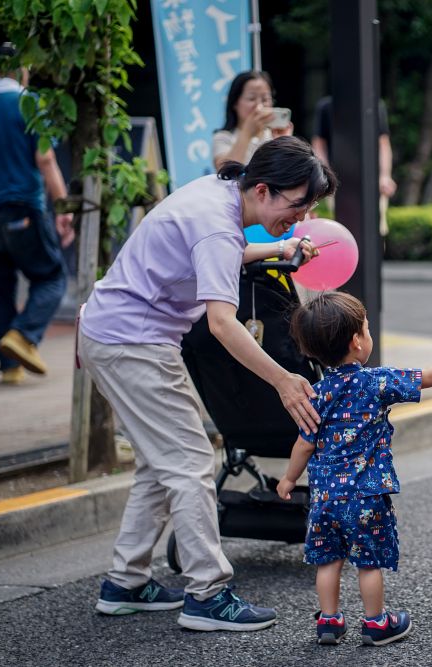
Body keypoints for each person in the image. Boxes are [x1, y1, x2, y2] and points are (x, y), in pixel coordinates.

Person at [82, 136, 334, 631]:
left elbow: (221, 253)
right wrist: (284, 380)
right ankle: (208, 594)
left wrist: (279, 248)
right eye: (298, 204)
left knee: (161, 462)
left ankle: (125, 583)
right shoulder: (218, 224)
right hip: (132, 342)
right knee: (191, 461)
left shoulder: (220, 193)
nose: (302, 216)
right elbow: (222, 323)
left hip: (115, 334)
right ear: (263, 190)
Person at [279, 291, 432, 646]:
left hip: (324, 499)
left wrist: (290, 478)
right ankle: (376, 623)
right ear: (357, 342)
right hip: (365, 496)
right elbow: (427, 378)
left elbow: (304, 444)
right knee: (368, 563)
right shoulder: (375, 382)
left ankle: (329, 621)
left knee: (328, 560)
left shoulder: (315, 395)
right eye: (366, 330)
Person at [0, 37, 73, 385]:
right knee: (52, 277)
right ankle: (24, 336)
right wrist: (63, 207)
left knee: (0, 286)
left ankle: (10, 367)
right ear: (17, 67)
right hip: (22, 205)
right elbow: (46, 159)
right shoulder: (28, 103)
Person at [312, 96, 396, 236]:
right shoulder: (326, 106)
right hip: (338, 179)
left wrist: (385, 176)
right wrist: (326, 176)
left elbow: (383, 143)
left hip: (372, 179)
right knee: (344, 228)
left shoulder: (374, 104)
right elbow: (319, 145)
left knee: (376, 230)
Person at [212, 71, 293, 170]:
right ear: (235, 103)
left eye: (265, 99)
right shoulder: (223, 137)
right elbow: (226, 171)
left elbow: (289, 173)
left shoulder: (274, 136)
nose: (259, 107)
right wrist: (247, 133)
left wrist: (284, 143)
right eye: (251, 98)